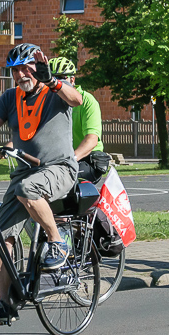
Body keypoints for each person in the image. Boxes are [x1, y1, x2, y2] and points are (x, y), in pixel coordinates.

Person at [0, 43, 83, 322]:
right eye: (15, 70)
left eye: (26, 68)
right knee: (1, 238)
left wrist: (52, 80)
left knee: (27, 189)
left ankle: (58, 242)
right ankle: (4, 303)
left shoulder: (54, 91)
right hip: (25, 173)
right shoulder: (10, 98)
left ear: (37, 68)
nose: (21, 74)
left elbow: (76, 100)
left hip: (58, 168)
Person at [47, 57, 123, 254]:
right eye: (54, 77)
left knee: (62, 190)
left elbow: (91, 139)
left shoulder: (87, 101)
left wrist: (71, 157)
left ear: (72, 80)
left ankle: (99, 229)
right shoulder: (49, 103)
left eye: (63, 78)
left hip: (89, 159)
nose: (58, 81)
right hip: (62, 160)